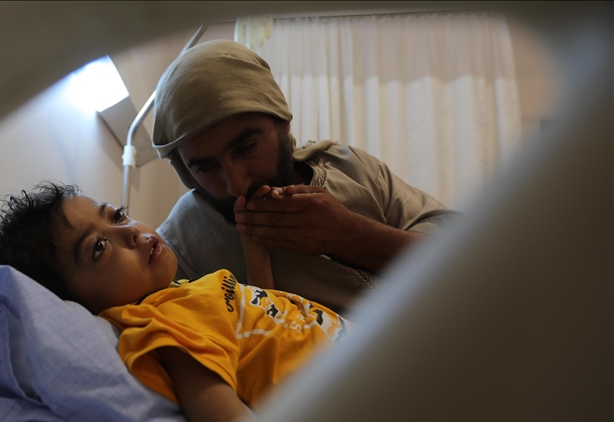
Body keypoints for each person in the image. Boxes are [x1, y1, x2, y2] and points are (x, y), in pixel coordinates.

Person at [0, 182, 353, 422]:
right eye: (98, 248)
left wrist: (252, 243)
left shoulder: (183, 294)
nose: (131, 232)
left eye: (118, 215)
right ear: (77, 304)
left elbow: (263, 314)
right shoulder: (164, 321)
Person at [152, 40, 461, 314]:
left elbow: (464, 253)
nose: (237, 185)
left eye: (246, 148)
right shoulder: (180, 244)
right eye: (205, 168)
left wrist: (347, 233)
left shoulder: (348, 166)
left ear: (282, 122)